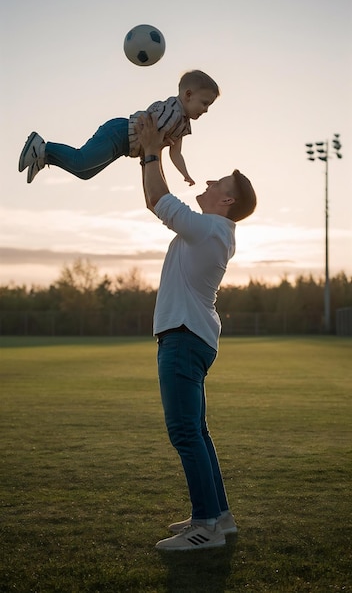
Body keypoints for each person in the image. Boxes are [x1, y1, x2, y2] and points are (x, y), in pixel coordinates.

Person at [136, 113, 257, 551]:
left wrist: (151, 149)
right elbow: (163, 199)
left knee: (185, 433)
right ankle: (219, 517)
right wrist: (157, 154)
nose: (207, 183)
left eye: (217, 183)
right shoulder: (215, 230)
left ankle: (205, 527)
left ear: (226, 202)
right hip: (193, 338)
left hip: (184, 338)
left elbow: (157, 199)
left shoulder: (208, 229)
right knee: (197, 432)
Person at [18, 69, 219, 186]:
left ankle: (45, 158)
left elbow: (176, 152)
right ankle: (42, 146)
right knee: (81, 161)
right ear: (188, 95)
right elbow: (154, 140)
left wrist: (185, 174)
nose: (207, 110)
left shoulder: (183, 123)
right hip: (118, 133)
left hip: (124, 146)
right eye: (204, 103)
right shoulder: (173, 110)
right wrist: (151, 165)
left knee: (84, 173)